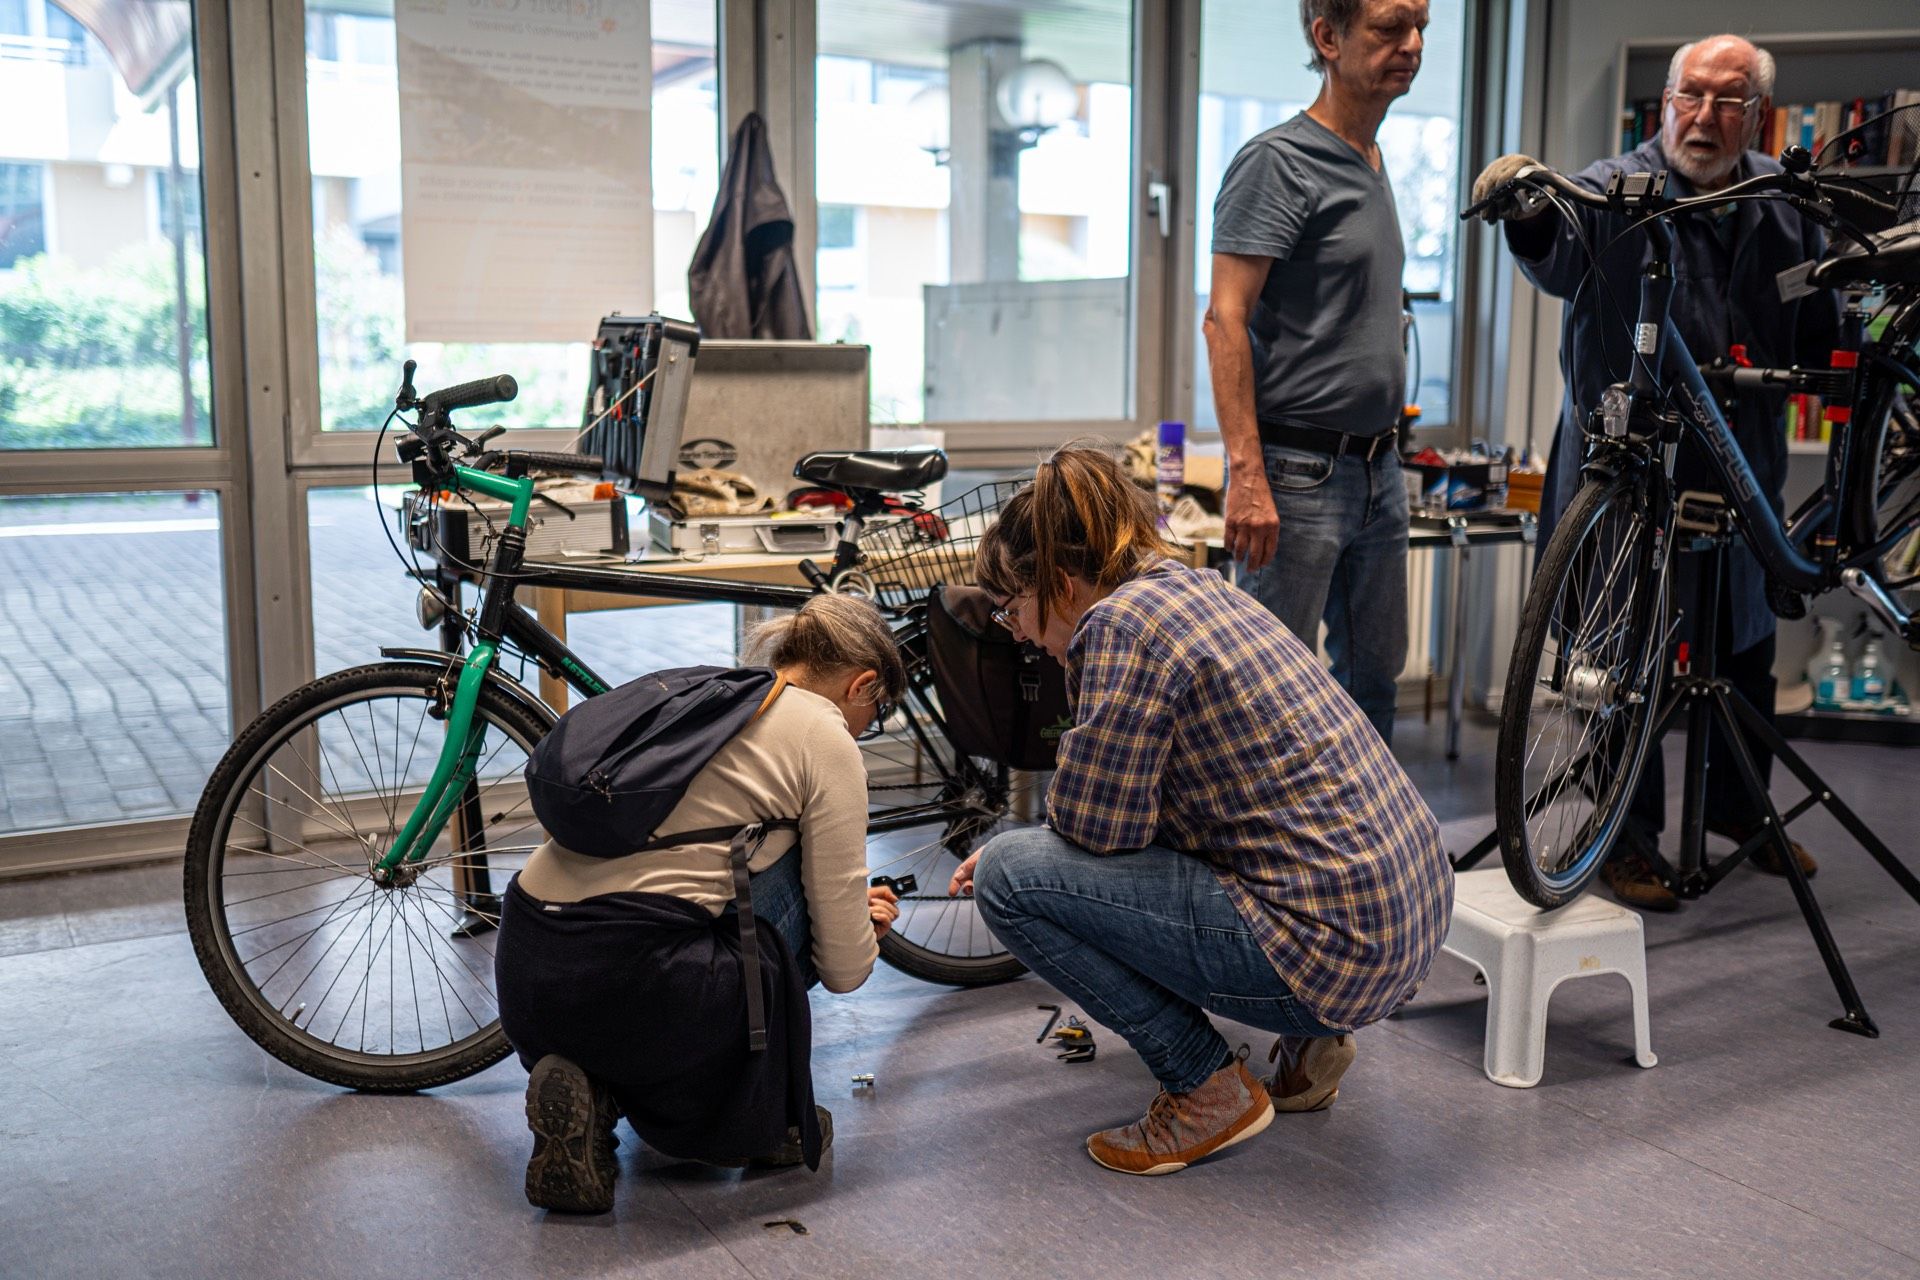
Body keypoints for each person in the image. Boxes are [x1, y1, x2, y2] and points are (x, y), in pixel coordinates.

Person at [949, 446, 1453, 1177]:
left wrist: (1031, 850)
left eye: (1012, 610)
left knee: (1006, 877)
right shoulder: (1193, 586)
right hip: (1404, 917)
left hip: (1337, 949)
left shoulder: (1117, 629)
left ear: (1060, 585)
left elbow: (1097, 830)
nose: (1016, 632)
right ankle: (1315, 1045)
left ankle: (1205, 1087)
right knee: (1139, 838)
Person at [1472, 33, 1840, 911]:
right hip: (1625, 472)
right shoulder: (1614, 186)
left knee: (1740, 645)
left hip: (1737, 453)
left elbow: (1821, 321)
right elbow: (1556, 247)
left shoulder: (1781, 205)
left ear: (1757, 115)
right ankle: (1626, 836)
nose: (1703, 118)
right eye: (1690, 97)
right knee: (1621, 654)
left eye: (1726, 102)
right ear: (1666, 100)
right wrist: (1525, 206)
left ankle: (1737, 813)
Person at [494, 595, 907, 1213]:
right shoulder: (824, 733)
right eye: (872, 715)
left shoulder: (712, 701)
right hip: (640, 988)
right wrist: (854, 923)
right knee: (799, 885)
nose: (864, 730)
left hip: (529, 976)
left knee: (720, 880)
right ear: (863, 684)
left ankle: (598, 1094)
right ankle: (760, 1121)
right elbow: (845, 970)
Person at [1202, 0, 1429, 745]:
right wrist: (1247, 475)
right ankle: (1263, 859)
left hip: (1378, 470)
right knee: (1266, 695)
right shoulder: (1278, 162)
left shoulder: (1372, 157)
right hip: (1296, 475)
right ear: (1327, 37)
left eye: (1421, 25)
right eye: (1391, 27)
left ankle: (1366, 854)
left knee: (1374, 684)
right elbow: (1224, 319)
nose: (1413, 44)